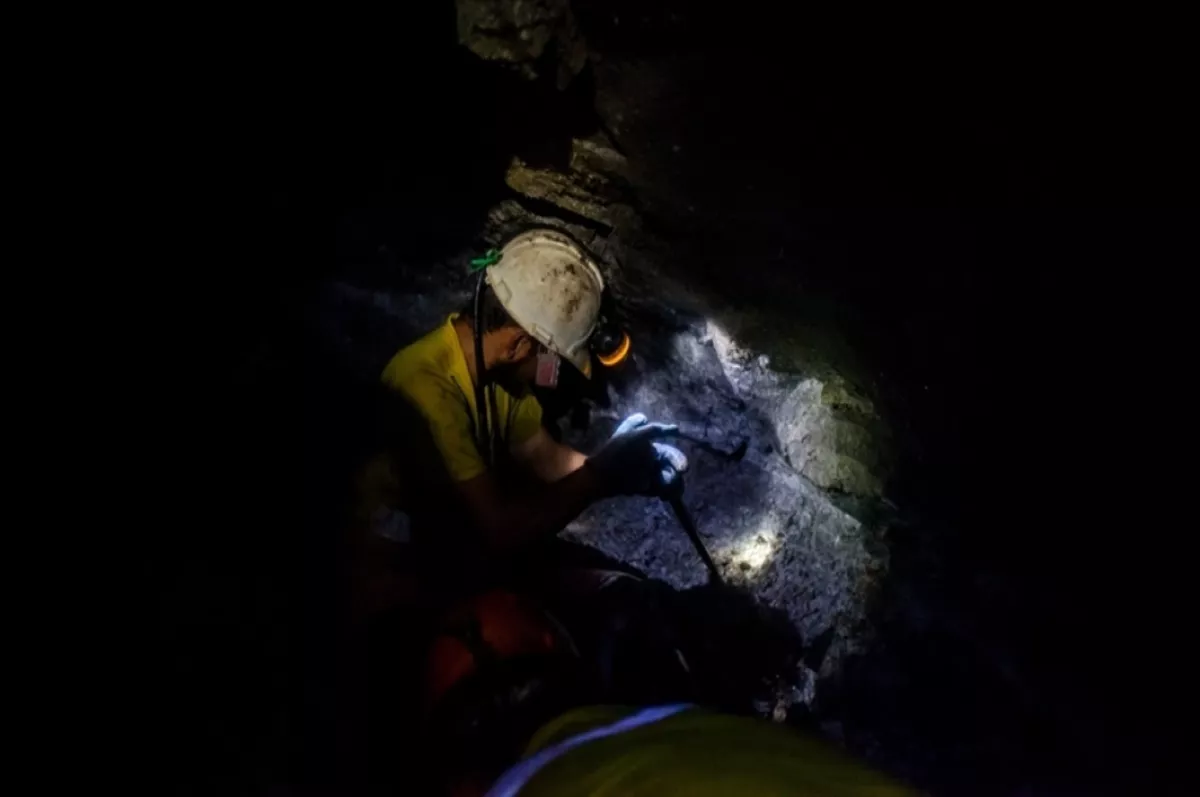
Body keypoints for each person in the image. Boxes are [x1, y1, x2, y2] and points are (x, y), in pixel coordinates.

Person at [354, 229, 687, 611]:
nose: (553, 372)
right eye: (552, 359)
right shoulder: (424, 389)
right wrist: (600, 475)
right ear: (519, 344)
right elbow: (500, 532)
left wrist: (629, 469)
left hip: (459, 552)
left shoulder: (496, 376)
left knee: (625, 589)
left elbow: (543, 456)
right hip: (398, 573)